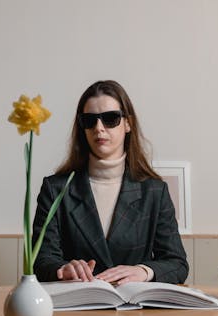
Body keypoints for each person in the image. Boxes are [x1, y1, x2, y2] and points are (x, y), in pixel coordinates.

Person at [32, 80, 188, 285]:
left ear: (128, 123)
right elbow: (41, 261)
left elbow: (177, 263)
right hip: (76, 309)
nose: (99, 128)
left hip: (136, 311)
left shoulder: (154, 191)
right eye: (90, 120)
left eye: (110, 118)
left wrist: (144, 271)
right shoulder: (55, 189)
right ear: (82, 127)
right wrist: (62, 268)